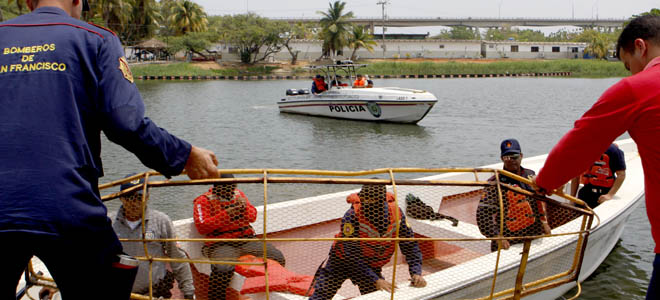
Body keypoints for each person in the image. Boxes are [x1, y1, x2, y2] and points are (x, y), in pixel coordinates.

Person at [0, 1, 219, 299]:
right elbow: (125, 122)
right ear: (78, 1)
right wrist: (183, 154)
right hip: (67, 205)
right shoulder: (96, 39)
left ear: (28, 2)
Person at [529, 15, 660, 299]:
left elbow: (579, 144)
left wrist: (541, 185)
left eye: (629, 65)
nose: (631, 74)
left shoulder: (637, 89)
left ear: (640, 47)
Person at [309, 183, 426, 300]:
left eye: (371, 202)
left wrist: (416, 272)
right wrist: (375, 279)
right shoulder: (352, 216)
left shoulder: (397, 214)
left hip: (370, 264)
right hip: (341, 262)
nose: (366, 205)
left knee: (377, 297)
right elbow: (350, 254)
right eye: (364, 201)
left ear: (382, 201)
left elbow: (410, 245)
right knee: (321, 295)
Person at [193, 174, 285, 299]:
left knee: (277, 257)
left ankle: (263, 292)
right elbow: (202, 227)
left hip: (246, 240)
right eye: (228, 188)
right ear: (217, 188)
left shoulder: (239, 195)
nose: (231, 191)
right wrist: (227, 214)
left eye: (233, 187)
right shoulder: (203, 200)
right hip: (220, 244)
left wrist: (245, 208)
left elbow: (253, 217)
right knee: (222, 269)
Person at [111, 175, 195, 299]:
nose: (134, 203)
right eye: (129, 197)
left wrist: (188, 292)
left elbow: (177, 257)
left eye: (139, 197)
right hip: (118, 291)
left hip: (153, 292)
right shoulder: (109, 223)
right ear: (121, 198)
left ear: (147, 196)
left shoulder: (161, 221)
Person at [477, 139, 551, 252]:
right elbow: (482, 216)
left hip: (533, 235)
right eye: (507, 157)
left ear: (521, 156)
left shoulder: (530, 175)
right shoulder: (494, 183)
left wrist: (544, 223)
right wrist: (497, 237)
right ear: (502, 159)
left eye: (515, 156)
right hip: (509, 239)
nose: (511, 160)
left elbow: (540, 201)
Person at [570, 143, 626, 208]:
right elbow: (575, 176)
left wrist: (610, 195)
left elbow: (621, 175)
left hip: (604, 194)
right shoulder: (582, 150)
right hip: (586, 192)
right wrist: (572, 199)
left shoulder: (613, 150)